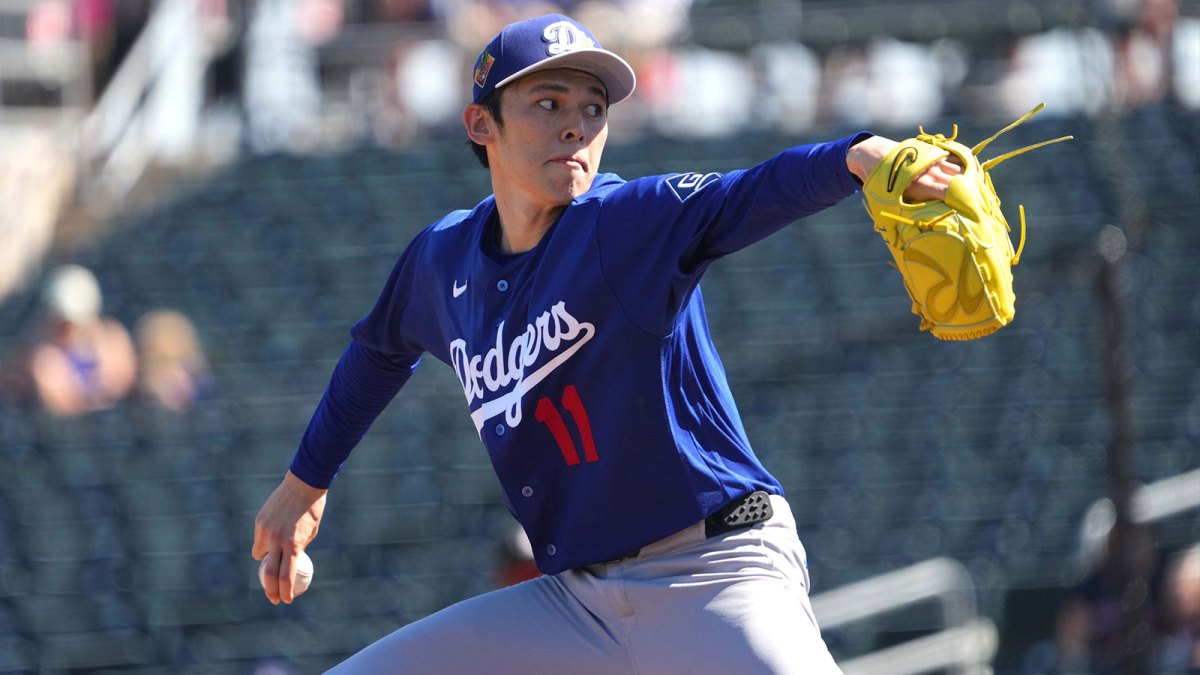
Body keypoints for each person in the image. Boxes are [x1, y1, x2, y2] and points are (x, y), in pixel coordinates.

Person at [252, 13, 961, 673]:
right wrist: (304, 484)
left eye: (594, 109)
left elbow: (746, 193)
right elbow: (379, 351)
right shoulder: (441, 261)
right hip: (575, 603)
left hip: (716, 573)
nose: (577, 125)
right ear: (481, 123)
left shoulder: (624, 221)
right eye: (548, 102)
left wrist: (856, 156)